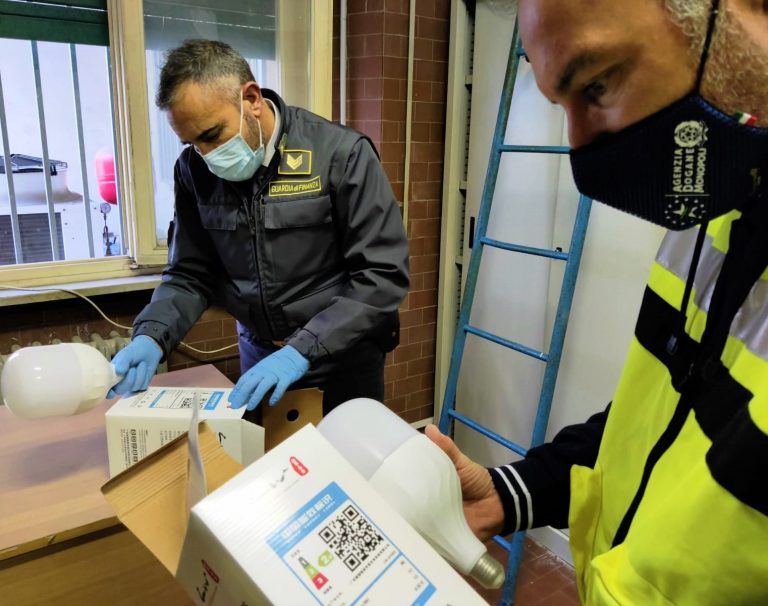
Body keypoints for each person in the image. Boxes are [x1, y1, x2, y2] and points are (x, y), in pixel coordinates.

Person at [427, 0, 768, 603]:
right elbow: (662, 423)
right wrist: (509, 493)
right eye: (560, 105)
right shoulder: (714, 210)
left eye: (598, 84)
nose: (579, 148)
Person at [109, 40, 409, 415]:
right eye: (192, 143)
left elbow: (382, 275)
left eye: (212, 135)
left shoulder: (341, 155)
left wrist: (303, 349)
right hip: (260, 357)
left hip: (341, 360)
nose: (205, 155)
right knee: (270, 453)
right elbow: (190, 273)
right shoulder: (192, 171)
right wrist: (153, 334)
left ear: (251, 99)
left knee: (343, 453)